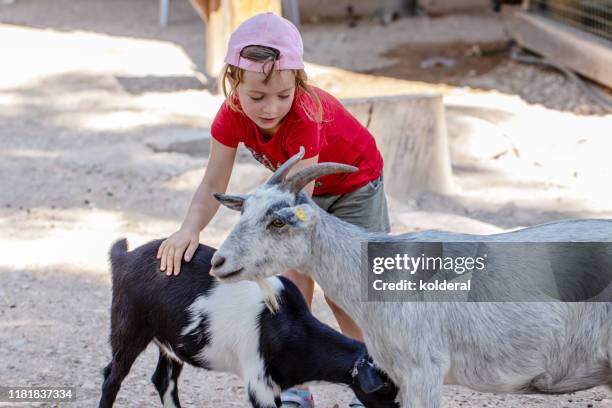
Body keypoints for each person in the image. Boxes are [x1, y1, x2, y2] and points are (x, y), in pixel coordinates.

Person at [157, 12, 390, 408]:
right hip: (298, 198)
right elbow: (213, 183)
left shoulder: (304, 115)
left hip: (353, 187)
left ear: (298, 84)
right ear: (234, 82)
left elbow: (299, 206)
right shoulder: (231, 115)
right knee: (288, 290)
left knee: (348, 290)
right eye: (258, 97)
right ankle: (293, 387)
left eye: (283, 95)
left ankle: (376, 382)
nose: (271, 108)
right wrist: (188, 229)